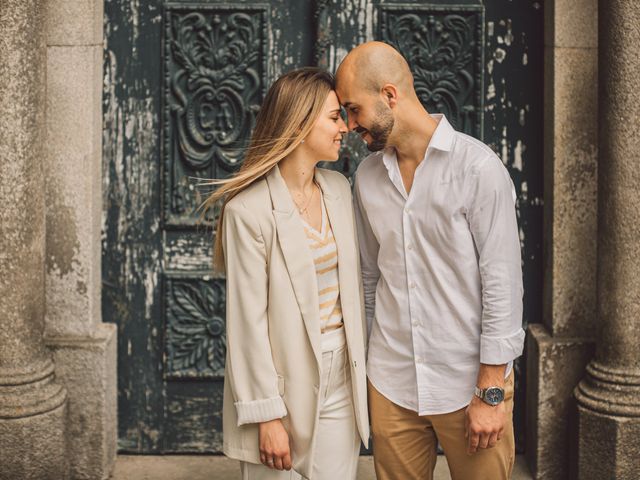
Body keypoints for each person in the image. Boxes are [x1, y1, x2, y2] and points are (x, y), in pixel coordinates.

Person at [335, 42, 525, 480]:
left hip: (470, 385)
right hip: (391, 381)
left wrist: (491, 390)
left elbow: (502, 283)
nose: (349, 125)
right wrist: (365, 374)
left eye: (353, 109)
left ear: (389, 95)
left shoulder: (478, 169)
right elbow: (368, 278)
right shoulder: (366, 178)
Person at [202, 67, 369, 480]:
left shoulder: (338, 189)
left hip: (342, 378)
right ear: (298, 123)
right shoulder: (248, 212)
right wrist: (267, 416)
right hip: (283, 381)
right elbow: (247, 324)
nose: (345, 127)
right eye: (334, 117)